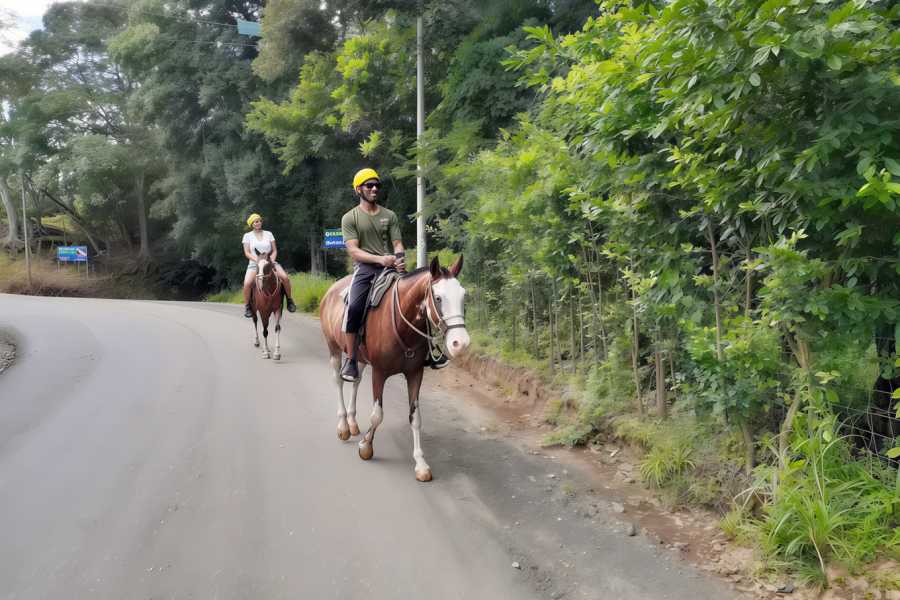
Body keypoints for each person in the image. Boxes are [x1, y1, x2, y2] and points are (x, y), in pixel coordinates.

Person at [339, 168, 446, 382]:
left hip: (391, 267)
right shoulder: (350, 218)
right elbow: (353, 250)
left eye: (377, 185)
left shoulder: (389, 215)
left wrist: (399, 257)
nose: (374, 188)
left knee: (419, 300)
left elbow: (397, 242)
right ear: (358, 189)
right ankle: (351, 360)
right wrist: (379, 259)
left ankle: (432, 350)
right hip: (366, 269)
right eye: (369, 185)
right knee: (354, 306)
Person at [242, 213, 296, 317]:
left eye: (259, 221)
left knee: (285, 278)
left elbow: (275, 250)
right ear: (251, 224)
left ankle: (289, 300)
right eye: (256, 221)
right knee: (247, 283)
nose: (258, 223)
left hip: (270, 262)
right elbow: (247, 252)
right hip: (254, 264)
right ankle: (247, 306)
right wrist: (259, 260)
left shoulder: (269, 234)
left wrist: (270, 261)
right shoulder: (247, 236)